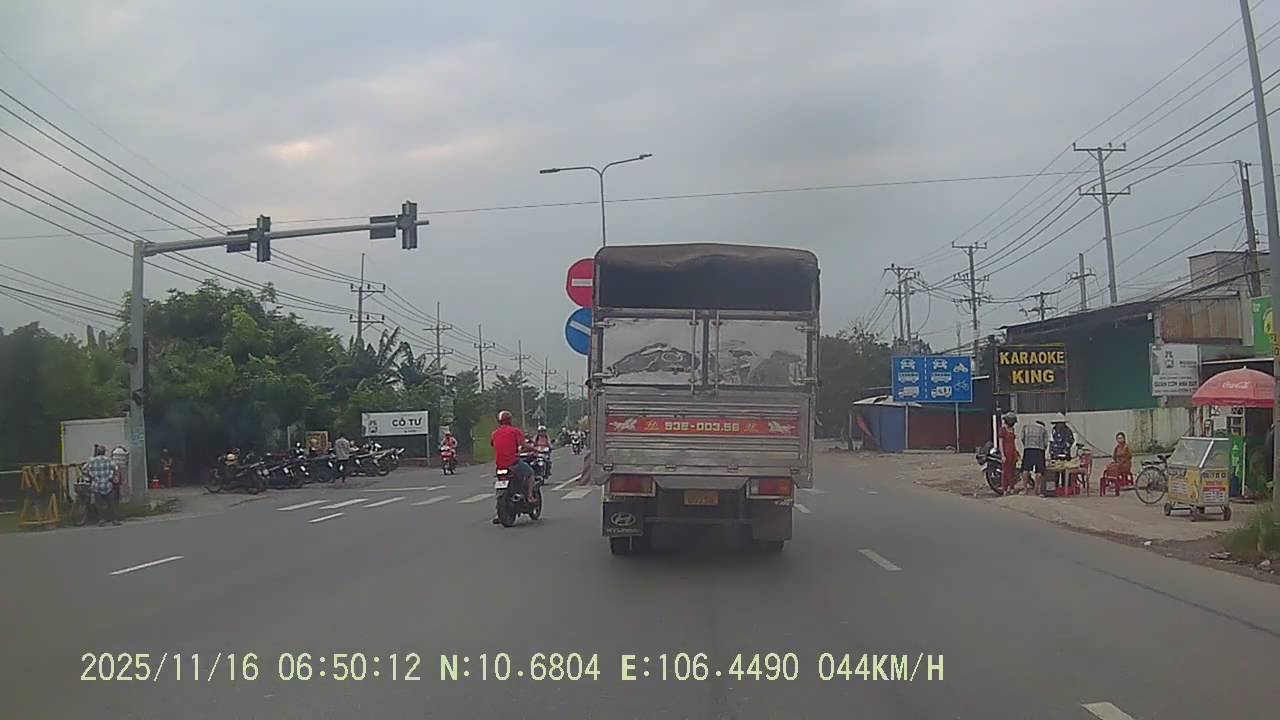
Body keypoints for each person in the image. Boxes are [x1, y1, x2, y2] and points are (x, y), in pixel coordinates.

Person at [491, 410, 535, 524]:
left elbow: (493, 444)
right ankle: (530, 496)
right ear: (510, 420)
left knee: (500, 489)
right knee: (530, 473)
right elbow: (523, 445)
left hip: (499, 465)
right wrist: (533, 449)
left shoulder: (495, 433)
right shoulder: (515, 431)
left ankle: (499, 512)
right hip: (513, 463)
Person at [83, 444, 121, 527]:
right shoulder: (108, 460)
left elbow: (84, 469)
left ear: (97, 452)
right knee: (111, 503)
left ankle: (101, 519)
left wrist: (90, 476)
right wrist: (112, 476)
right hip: (107, 484)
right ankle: (114, 519)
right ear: (104, 452)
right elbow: (116, 468)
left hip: (96, 485)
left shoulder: (92, 461)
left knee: (99, 504)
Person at [1020, 420, 1048, 494]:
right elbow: (1045, 442)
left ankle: (1025, 489)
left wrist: (1026, 445)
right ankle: (1037, 489)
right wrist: (1044, 449)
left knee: (1025, 469)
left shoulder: (1026, 427)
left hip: (1028, 449)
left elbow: (1022, 438)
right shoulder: (1043, 428)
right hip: (1039, 450)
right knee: (1039, 471)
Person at [998, 412, 1019, 496]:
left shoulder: (1012, 429)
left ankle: (1012, 487)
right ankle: (1005, 489)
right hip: (1006, 452)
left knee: (1013, 471)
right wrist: (1002, 455)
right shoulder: (1002, 430)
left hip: (1012, 451)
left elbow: (1013, 442)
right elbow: (1000, 443)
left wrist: (1016, 451)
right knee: (1006, 471)